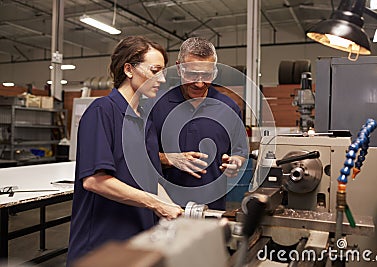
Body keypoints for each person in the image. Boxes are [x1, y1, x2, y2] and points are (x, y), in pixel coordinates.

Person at [66, 36, 182, 266]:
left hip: (139, 239)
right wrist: (157, 204)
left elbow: (150, 179)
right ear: (129, 69)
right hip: (103, 244)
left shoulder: (144, 122)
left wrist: (175, 210)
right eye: (155, 70)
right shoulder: (102, 112)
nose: (161, 78)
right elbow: (95, 181)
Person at [148, 37, 248, 210]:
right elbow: (138, 156)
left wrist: (234, 163)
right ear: (179, 68)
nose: (200, 82)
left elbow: (240, 151)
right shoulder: (154, 105)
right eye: (192, 74)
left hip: (212, 208)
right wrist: (167, 159)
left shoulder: (229, 107)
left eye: (207, 75)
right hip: (162, 207)